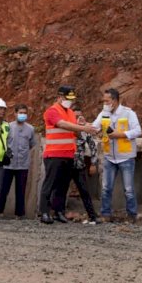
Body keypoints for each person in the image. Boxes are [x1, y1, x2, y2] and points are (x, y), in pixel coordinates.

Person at [39, 85, 99, 224]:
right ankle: (44, 212)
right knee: (50, 184)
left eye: (71, 99)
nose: (69, 101)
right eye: (67, 98)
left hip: (68, 154)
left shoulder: (71, 113)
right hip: (54, 154)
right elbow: (62, 125)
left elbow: (75, 132)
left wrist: (81, 126)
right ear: (59, 97)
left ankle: (58, 211)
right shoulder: (52, 111)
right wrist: (83, 127)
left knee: (62, 185)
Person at [92, 88, 142, 223]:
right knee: (106, 188)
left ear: (115, 100)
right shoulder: (103, 114)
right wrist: (93, 130)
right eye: (104, 101)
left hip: (125, 157)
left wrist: (120, 135)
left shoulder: (128, 113)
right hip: (109, 156)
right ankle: (105, 214)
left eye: (107, 101)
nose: (105, 103)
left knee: (129, 189)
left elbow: (137, 130)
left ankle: (132, 216)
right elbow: (94, 127)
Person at [0, 103, 37, 218]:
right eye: (20, 113)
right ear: (15, 113)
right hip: (8, 164)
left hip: (23, 165)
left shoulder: (31, 129)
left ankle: (20, 214)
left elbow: (32, 144)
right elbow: (2, 143)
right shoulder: (7, 126)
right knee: (3, 189)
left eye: (24, 113)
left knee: (21, 190)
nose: (22, 115)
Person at [70, 103, 100, 224]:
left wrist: (93, 163)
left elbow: (93, 146)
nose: (79, 118)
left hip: (79, 165)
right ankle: (58, 213)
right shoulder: (67, 129)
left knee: (84, 191)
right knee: (59, 189)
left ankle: (92, 215)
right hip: (66, 163)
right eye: (76, 116)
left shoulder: (85, 131)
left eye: (80, 115)